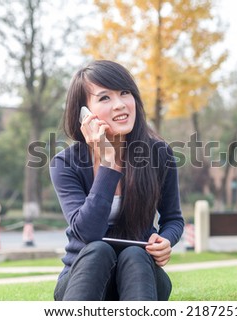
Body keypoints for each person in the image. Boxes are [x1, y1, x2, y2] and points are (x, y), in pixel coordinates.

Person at [49, 60, 184, 301]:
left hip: (141, 275)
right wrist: (108, 163)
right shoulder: (65, 163)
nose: (120, 105)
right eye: (104, 98)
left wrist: (166, 239)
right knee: (98, 250)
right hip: (83, 278)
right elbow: (88, 234)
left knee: (133, 253)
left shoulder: (159, 154)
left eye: (125, 93)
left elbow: (173, 218)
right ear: (84, 113)